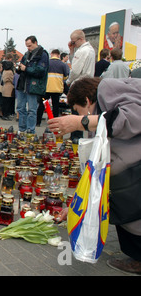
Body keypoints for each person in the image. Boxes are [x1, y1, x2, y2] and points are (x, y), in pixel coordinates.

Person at [48, 77, 141, 275]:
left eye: (79, 110)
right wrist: (74, 206)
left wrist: (80, 122)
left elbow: (132, 117)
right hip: (130, 170)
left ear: (88, 101)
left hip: (134, 171)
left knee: (130, 208)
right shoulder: (103, 105)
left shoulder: (107, 89)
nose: (79, 115)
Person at [16, 35, 49, 133]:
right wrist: (18, 68)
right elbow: (22, 65)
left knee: (32, 110)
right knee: (20, 108)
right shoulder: (26, 54)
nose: (28, 48)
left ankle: (31, 130)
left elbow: (41, 70)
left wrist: (26, 69)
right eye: (27, 46)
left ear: (35, 43)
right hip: (23, 84)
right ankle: (22, 129)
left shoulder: (43, 55)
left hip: (33, 86)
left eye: (30, 46)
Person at [65, 29, 95, 139]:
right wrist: (72, 51)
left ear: (80, 39)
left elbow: (75, 70)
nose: (73, 44)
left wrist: (68, 82)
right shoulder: (90, 50)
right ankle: (77, 137)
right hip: (87, 83)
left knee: (76, 113)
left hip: (79, 85)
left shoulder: (82, 51)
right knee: (82, 114)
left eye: (73, 42)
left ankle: (75, 138)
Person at [37, 49, 69, 123]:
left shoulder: (46, 63)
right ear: (58, 55)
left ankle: (38, 121)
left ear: (51, 54)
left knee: (42, 105)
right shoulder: (63, 65)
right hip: (57, 88)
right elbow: (65, 77)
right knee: (55, 106)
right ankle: (54, 121)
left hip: (46, 87)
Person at [0, 54, 15, 121]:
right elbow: (12, 80)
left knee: (4, 102)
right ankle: (6, 114)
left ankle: (4, 114)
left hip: (4, 87)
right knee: (8, 103)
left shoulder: (4, 71)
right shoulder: (10, 72)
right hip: (9, 88)